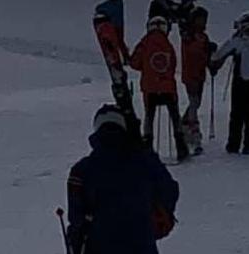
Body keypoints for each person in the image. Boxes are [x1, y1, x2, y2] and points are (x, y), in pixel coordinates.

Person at [66, 104, 180, 254]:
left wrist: (74, 244)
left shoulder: (81, 171)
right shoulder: (145, 161)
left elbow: (76, 218)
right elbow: (169, 189)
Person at [130, 16, 189, 161]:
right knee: (175, 117)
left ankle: (148, 147)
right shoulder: (167, 44)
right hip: (168, 87)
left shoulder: (144, 43)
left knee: (149, 117)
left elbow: (134, 63)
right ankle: (181, 146)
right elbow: (173, 64)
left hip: (150, 88)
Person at [211, 12, 249, 154]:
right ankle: (243, 144)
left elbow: (220, 53)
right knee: (247, 113)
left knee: (241, 113)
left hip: (246, 80)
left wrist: (213, 63)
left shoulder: (245, 40)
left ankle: (239, 145)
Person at [180, 7, 215, 155]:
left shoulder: (203, 36)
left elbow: (205, 56)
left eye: (203, 19)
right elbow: (193, 51)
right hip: (190, 74)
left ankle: (184, 124)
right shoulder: (189, 34)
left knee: (196, 102)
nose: (201, 22)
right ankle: (194, 134)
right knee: (194, 103)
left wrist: (211, 62)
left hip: (200, 75)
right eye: (199, 19)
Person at [94, 0, 136, 65]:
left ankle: (123, 58)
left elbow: (99, 8)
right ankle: (123, 57)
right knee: (117, 42)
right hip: (114, 25)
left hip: (117, 26)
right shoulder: (114, 3)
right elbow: (99, 8)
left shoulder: (116, 2)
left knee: (118, 42)